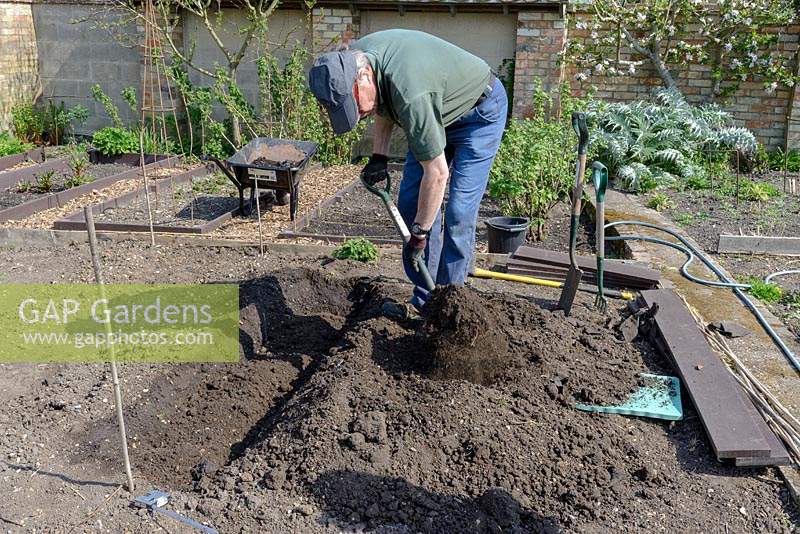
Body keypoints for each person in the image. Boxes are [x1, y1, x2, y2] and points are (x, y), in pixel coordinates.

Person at [309, 29, 508, 312]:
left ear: (364, 77)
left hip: (479, 113)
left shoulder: (411, 92)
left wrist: (419, 233)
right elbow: (382, 103)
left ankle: (449, 306)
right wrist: (379, 156)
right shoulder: (356, 59)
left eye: (355, 106)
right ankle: (425, 300)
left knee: (459, 213)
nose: (358, 114)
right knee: (411, 203)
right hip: (435, 111)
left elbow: (438, 174)